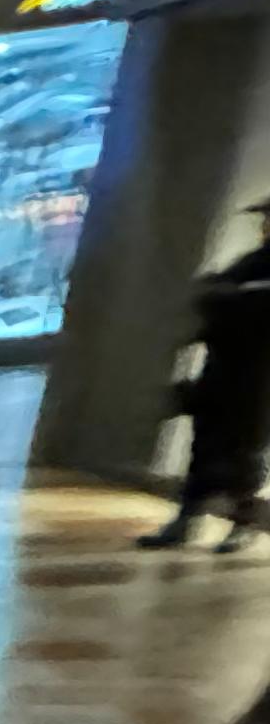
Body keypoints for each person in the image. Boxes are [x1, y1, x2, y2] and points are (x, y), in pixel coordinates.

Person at [148, 200, 270, 551]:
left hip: (258, 377)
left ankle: (242, 522)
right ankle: (188, 518)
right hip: (222, 369)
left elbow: (229, 304)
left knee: (245, 450)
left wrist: (230, 303)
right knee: (205, 445)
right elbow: (209, 301)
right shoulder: (251, 262)